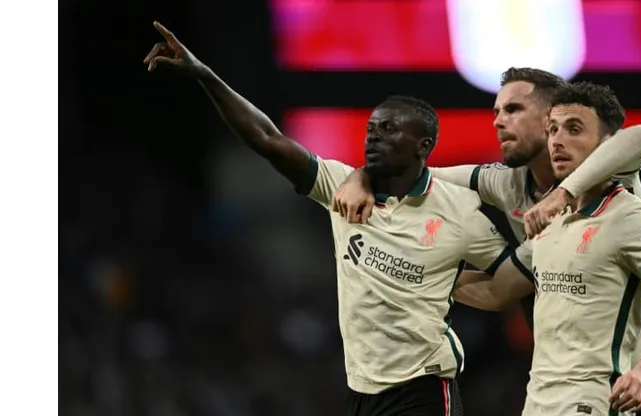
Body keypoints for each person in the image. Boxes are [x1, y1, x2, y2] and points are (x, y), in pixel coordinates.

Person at [144, 21, 515, 415]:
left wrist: (447, 282)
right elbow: (267, 138)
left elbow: (515, 279)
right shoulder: (341, 186)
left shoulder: (457, 211)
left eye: (390, 129)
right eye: (372, 129)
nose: (374, 136)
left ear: (423, 145)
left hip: (422, 389)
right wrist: (204, 74)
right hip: (363, 391)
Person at [455, 82, 641, 415]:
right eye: (552, 130)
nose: (557, 141)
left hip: (593, 400)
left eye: (574, 129)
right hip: (537, 401)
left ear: (607, 144)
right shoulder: (552, 221)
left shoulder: (630, 216)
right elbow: (496, 289)